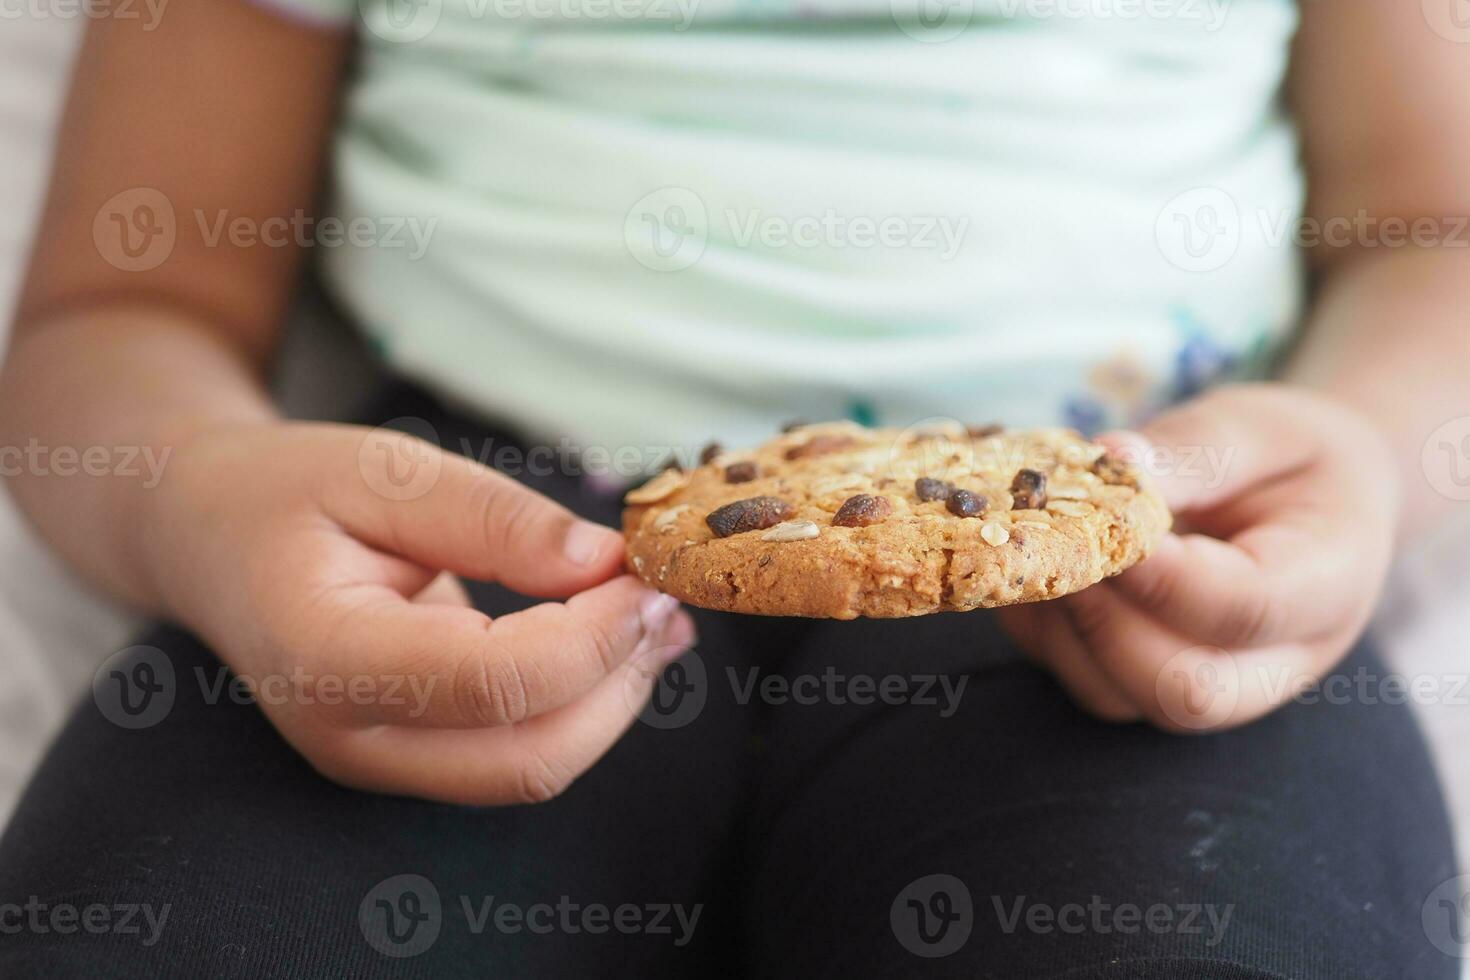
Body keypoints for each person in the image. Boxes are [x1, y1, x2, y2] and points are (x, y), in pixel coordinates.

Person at [0, 0, 1466, 975]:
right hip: (460, 545)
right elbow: (124, 307)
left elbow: (1432, 232)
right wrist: (194, 491)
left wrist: (1358, 449)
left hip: (1116, 569)